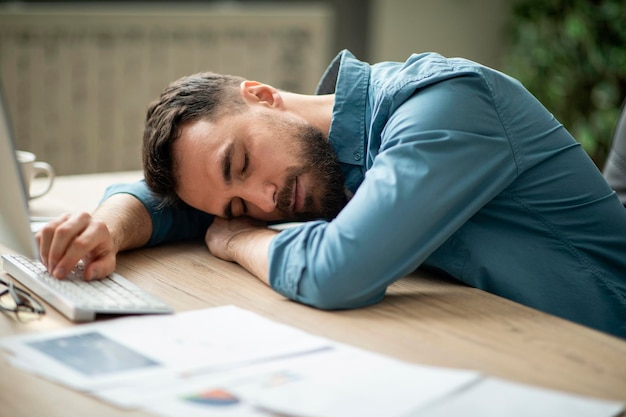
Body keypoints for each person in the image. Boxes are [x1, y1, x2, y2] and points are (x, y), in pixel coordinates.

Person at [37, 50, 626, 338]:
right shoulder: (321, 167)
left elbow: (338, 271)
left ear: (262, 95)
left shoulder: (443, 105)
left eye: (240, 163)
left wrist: (239, 237)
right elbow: (177, 202)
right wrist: (105, 228)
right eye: (240, 205)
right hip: (511, 342)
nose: (266, 201)